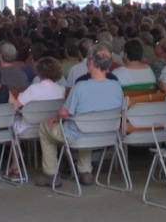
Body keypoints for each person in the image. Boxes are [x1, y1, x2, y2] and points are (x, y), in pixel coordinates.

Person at [37, 45, 124, 189]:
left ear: (90, 62)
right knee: (86, 125)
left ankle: (50, 174)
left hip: (80, 134)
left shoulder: (81, 86)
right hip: (107, 134)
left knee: (45, 128)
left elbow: (65, 112)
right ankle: (85, 172)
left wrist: (55, 118)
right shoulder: (116, 85)